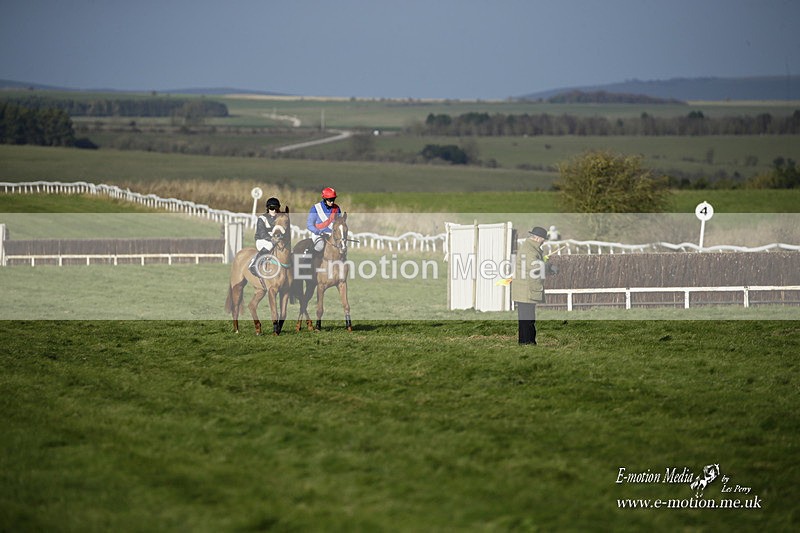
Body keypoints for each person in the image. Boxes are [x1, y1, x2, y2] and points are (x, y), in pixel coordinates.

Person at [511, 226, 548, 345]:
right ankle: (528, 343)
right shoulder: (529, 250)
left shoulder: (529, 248)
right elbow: (534, 267)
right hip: (526, 290)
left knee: (526, 319)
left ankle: (524, 342)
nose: (543, 242)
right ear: (538, 238)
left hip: (525, 289)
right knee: (528, 319)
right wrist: (548, 267)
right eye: (543, 239)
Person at [249, 196, 282, 277]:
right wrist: (272, 239)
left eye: (276, 208)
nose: (274, 210)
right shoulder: (262, 218)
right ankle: (254, 263)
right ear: (268, 208)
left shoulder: (280, 219)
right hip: (262, 240)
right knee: (270, 245)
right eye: (271, 208)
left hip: (276, 241)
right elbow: (262, 233)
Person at [306, 187, 342, 255]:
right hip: (318, 234)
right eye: (330, 200)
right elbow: (309, 224)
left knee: (341, 248)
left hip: (332, 235)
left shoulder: (337, 209)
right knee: (320, 246)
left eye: (333, 199)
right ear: (324, 199)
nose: (332, 202)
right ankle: (312, 262)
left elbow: (339, 223)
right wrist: (318, 231)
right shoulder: (315, 208)